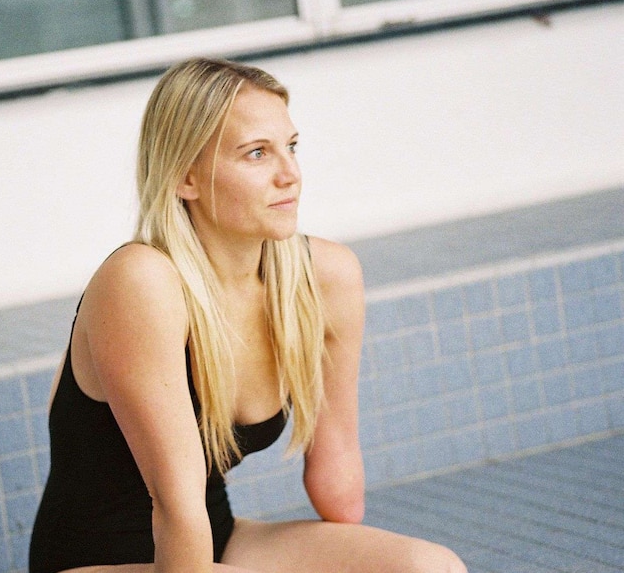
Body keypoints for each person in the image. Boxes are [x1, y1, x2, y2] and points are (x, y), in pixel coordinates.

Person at [29, 57, 467, 573]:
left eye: (292, 147)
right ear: (186, 177)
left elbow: (337, 485)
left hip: (220, 543)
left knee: (430, 568)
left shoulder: (325, 276)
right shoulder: (142, 283)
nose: (291, 175)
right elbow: (178, 513)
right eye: (257, 153)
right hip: (97, 561)